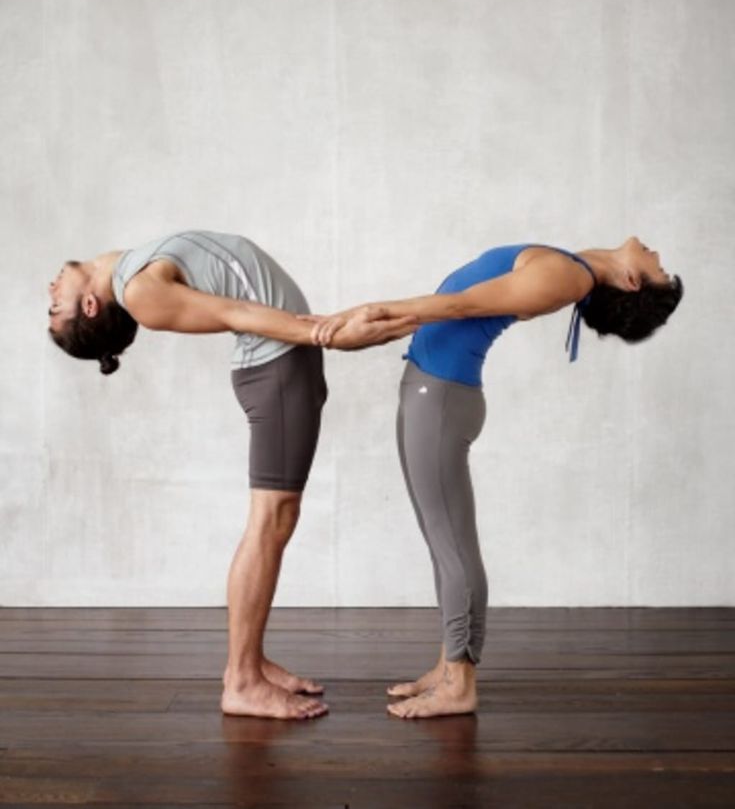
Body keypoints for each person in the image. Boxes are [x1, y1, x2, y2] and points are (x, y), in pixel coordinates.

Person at [309, 236, 684, 719]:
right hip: (432, 392)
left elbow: (460, 305)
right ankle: (447, 664)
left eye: (659, 267)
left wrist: (371, 311)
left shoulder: (567, 277)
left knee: (453, 545)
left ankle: (460, 683)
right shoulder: (570, 268)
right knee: (441, 541)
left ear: (632, 282)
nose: (656, 253)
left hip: (441, 400)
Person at [47, 230, 415, 720]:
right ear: (90, 306)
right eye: (54, 309)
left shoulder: (129, 271)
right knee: (271, 523)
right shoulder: (141, 294)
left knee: (273, 522)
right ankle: (241, 681)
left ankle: (251, 662)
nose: (48, 295)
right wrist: (328, 331)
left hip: (284, 364)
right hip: (278, 370)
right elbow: (233, 313)